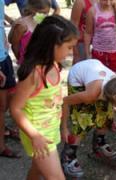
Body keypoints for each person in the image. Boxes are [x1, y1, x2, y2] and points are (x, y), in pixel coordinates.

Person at [10, 15, 78, 179]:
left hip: (50, 129)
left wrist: (62, 127)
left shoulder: (54, 65)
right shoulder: (34, 74)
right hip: (37, 132)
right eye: (69, 47)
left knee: (38, 168)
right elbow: (15, 108)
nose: (71, 52)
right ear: (52, 45)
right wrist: (35, 136)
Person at [84, 0, 116, 74]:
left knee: (115, 80)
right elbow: (88, 33)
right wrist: (87, 52)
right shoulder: (92, 11)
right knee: (99, 79)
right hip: (98, 52)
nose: (108, 3)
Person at [0, 0, 20, 158]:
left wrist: (8, 20)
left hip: (4, 56)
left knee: (9, 99)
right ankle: (1, 146)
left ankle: (4, 130)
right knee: (2, 106)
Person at [8, 0, 50, 65]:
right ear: (33, 10)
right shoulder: (22, 26)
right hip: (28, 64)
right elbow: (14, 46)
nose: (45, 15)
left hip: (42, 62)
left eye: (47, 13)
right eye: (43, 13)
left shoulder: (44, 22)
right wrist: (21, 61)